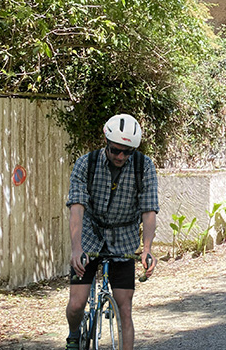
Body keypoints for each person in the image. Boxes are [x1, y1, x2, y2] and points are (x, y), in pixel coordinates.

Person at [65, 114, 159, 350]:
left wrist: (147, 249)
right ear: (106, 142)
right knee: (76, 305)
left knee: (124, 309)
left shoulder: (143, 166)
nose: (121, 156)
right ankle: (74, 334)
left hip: (124, 240)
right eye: (116, 150)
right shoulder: (86, 164)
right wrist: (77, 249)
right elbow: (77, 206)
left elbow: (149, 210)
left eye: (127, 152)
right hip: (89, 236)